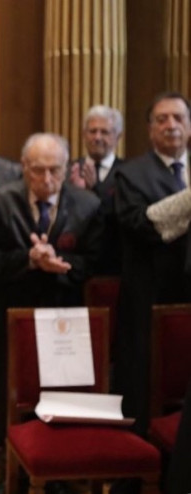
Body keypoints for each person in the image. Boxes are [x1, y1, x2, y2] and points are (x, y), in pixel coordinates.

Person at [0, 133, 103, 494]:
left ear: (67, 168)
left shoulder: (89, 205)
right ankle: (12, 468)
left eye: (55, 170)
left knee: (60, 391)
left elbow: (94, 262)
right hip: (13, 311)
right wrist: (29, 259)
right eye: (38, 170)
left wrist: (59, 263)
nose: (47, 179)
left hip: (64, 314)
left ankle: (59, 470)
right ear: (24, 167)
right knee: (12, 392)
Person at [114, 92, 191, 439]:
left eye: (178, 118)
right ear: (149, 129)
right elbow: (139, 224)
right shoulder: (131, 174)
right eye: (162, 119)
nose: (171, 125)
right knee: (148, 375)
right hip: (151, 292)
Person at [68, 105, 125, 275]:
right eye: (92, 131)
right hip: (75, 265)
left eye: (104, 132)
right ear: (84, 135)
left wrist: (94, 190)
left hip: (115, 263)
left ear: (118, 137)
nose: (97, 137)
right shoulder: (67, 170)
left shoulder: (128, 173)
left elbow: (122, 217)